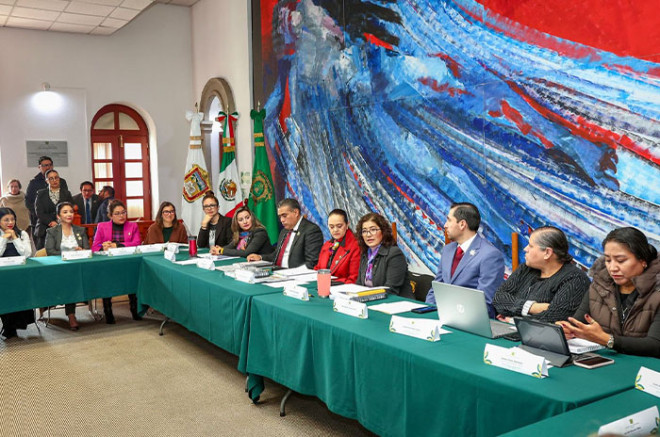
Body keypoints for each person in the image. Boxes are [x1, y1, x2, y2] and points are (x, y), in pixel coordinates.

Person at [557, 228, 660, 357]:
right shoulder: (599, 285)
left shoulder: (657, 291)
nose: (612, 268)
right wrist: (567, 329)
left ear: (643, 261)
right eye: (608, 260)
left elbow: (655, 345)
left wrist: (607, 340)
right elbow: (578, 323)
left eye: (621, 260)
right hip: (606, 361)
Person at [492, 226, 590, 323]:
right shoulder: (526, 269)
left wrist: (512, 320)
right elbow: (498, 299)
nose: (525, 249)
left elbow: (554, 318)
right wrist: (532, 307)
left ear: (547, 253)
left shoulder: (575, 280)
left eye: (531, 246)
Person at [425, 203, 505, 317]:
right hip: (442, 316)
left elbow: (484, 302)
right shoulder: (448, 249)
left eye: (449, 220)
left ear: (462, 224)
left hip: (471, 319)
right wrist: (427, 313)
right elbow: (436, 288)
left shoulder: (490, 255)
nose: (445, 225)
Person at [92, 199, 141, 324]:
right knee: (106, 278)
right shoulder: (102, 226)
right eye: (117, 213)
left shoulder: (133, 226)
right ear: (110, 215)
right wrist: (104, 246)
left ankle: (134, 309)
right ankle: (108, 311)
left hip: (127, 262)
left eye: (123, 212)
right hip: (108, 263)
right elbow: (95, 247)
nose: (121, 216)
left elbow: (137, 243)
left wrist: (117, 245)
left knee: (133, 277)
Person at [44, 202, 90, 330]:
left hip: (78, 266)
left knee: (76, 277)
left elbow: (87, 250)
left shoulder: (80, 230)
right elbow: (50, 251)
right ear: (58, 216)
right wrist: (69, 253)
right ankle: (71, 315)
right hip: (60, 268)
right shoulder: (52, 231)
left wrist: (82, 251)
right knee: (70, 280)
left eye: (71, 211)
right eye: (65, 212)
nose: (69, 214)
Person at [247, 198, 323, 269]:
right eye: (280, 217)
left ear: (296, 212)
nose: (282, 220)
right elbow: (277, 255)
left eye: (284, 216)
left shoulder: (311, 230)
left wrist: (290, 273)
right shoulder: (284, 231)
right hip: (278, 272)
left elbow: (312, 263)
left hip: (295, 275)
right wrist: (260, 257)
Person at [355, 212, 414, 298]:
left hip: (395, 302)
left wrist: (366, 298)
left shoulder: (394, 254)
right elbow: (359, 284)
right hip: (371, 300)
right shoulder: (365, 254)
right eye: (364, 231)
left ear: (383, 231)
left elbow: (391, 290)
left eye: (373, 230)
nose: (368, 234)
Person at [0, 207, 34, 339]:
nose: (10, 222)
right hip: (3, 276)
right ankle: (9, 327)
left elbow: (27, 253)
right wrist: (4, 238)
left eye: (12, 219)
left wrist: (14, 237)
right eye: (6, 220)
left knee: (18, 293)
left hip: (20, 274)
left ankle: (15, 325)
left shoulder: (22, 234)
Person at [314, 209, 361, 284]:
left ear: (347, 225)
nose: (335, 230)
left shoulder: (355, 246)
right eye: (331, 227)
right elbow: (318, 269)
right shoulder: (327, 245)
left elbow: (354, 279)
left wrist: (331, 282)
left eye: (339, 226)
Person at [25, 156, 68, 233]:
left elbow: (65, 200)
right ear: (39, 167)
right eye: (45, 165)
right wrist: (40, 216)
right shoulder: (34, 183)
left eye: (50, 165)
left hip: (59, 220)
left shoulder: (62, 181)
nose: (48, 167)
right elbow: (28, 202)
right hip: (40, 221)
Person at [34, 169, 73, 250]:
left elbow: (70, 209)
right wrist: (50, 222)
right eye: (51, 178)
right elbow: (39, 212)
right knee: (44, 253)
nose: (54, 180)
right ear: (47, 181)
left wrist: (59, 222)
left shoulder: (66, 193)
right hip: (44, 228)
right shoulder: (41, 194)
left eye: (56, 178)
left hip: (63, 227)